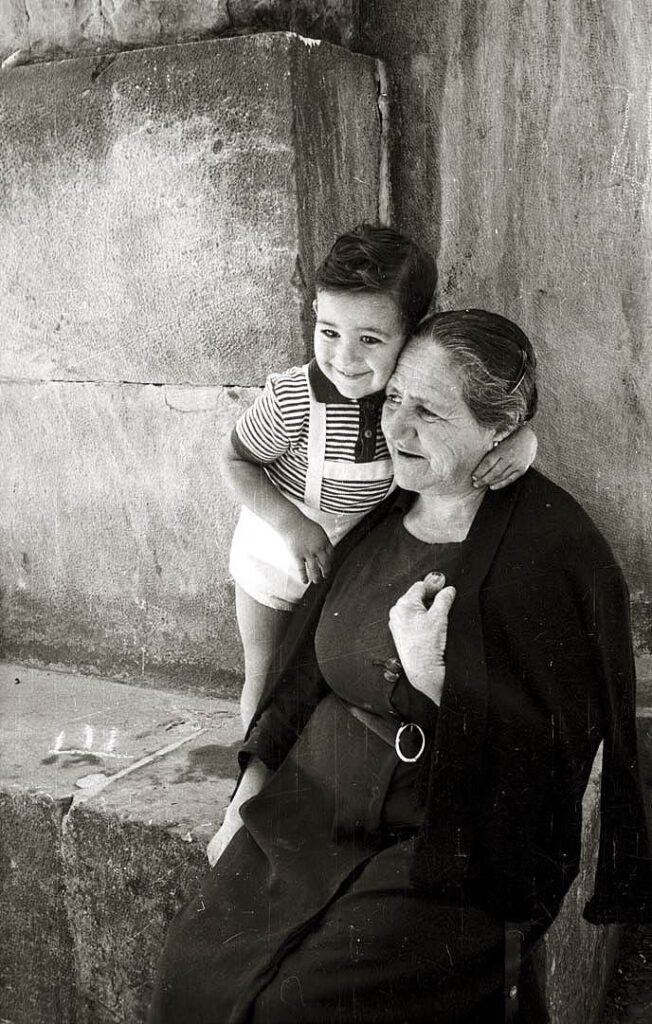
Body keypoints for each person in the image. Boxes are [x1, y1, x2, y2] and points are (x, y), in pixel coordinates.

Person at [149, 310, 652, 1024]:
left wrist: (443, 680)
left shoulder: (552, 554)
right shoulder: (383, 511)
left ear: (500, 430)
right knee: (190, 972)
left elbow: (556, 764)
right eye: (394, 401)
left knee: (302, 1010)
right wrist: (244, 796)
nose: (397, 428)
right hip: (310, 813)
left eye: (429, 412)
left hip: (444, 846)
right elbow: (301, 677)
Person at [223, 225, 537, 730]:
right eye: (328, 332)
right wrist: (292, 527)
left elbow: (485, 414)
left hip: (350, 558)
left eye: (369, 339)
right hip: (275, 556)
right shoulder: (293, 398)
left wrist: (523, 439)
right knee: (267, 678)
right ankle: (252, 789)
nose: (345, 359)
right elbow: (235, 462)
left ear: (408, 336)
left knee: (326, 673)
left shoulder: (406, 390)